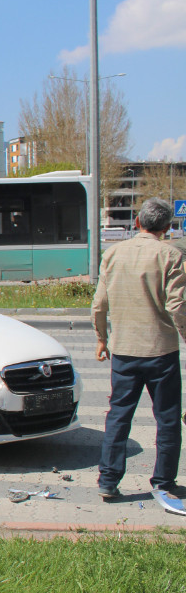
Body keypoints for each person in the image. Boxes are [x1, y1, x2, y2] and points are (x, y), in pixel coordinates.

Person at [92, 197, 186, 500]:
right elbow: (178, 306)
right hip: (161, 352)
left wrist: (102, 339)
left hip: (123, 351)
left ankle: (108, 480)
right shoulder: (171, 255)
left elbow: (99, 304)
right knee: (168, 419)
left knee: (119, 415)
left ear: (137, 223)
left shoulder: (114, 254)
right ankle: (163, 481)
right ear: (167, 227)